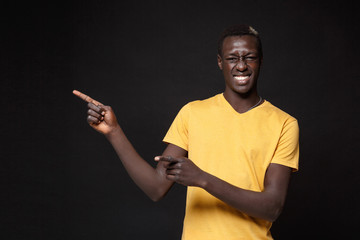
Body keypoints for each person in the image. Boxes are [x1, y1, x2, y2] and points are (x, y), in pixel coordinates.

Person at [73, 24, 299, 240]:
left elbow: (272, 207)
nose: (241, 66)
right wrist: (113, 131)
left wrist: (202, 179)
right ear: (220, 62)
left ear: (260, 61)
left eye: (249, 57)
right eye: (232, 58)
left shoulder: (284, 123)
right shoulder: (193, 113)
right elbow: (156, 188)